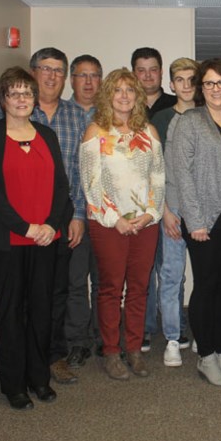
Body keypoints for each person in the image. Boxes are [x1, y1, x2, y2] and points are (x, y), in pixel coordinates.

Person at [0, 67, 72, 410]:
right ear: (3, 99)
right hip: (10, 240)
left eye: (26, 94)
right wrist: (25, 227)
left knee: (42, 311)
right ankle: (13, 383)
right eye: (14, 94)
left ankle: (38, 378)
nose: (21, 100)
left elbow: (62, 185)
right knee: (12, 311)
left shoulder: (46, 134)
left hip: (47, 238)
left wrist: (49, 224)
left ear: (34, 99)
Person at [0, 47, 87, 386]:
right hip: (14, 230)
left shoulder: (76, 116)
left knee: (54, 294)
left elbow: (77, 173)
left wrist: (74, 215)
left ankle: (52, 359)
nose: (52, 76)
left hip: (58, 224)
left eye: (59, 71)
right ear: (33, 73)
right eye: (45, 69)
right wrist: (15, 226)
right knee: (15, 303)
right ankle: (18, 370)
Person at [80, 69, 164, 381]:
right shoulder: (95, 132)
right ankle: (111, 352)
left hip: (145, 223)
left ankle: (134, 349)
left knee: (140, 287)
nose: (125, 96)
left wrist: (150, 212)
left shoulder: (150, 132)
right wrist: (115, 220)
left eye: (130, 90)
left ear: (138, 96)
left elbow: (158, 178)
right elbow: (91, 184)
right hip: (108, 224)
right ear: (107, 96)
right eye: (118, 90)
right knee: (111, 288)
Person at [169, 58, 221, 387]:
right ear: (202, 88)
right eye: (209, 83)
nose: (216, 89)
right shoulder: (190, 121)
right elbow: (181, 173)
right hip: (204, 219)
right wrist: (194, 219)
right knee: (206, 286)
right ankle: (206, 357)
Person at [151, 57, 198, 367]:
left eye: (191, 79)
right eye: (179, 79)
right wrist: (165, 210)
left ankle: (204, 333)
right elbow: (154, 171)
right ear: (171, 84)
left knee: (207, 277)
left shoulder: (209, 116)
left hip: (205, 209)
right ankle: (171, 338)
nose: (185, 85)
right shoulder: (161, 119)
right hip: (173, 207)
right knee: (171, 276)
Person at [66, 54, 103, 368]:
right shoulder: (60, 115)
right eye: (82, 75)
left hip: (106, 215)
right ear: (72, 80)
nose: (89, 82)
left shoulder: (111, 116)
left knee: (104, 281)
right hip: (76, 214)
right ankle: (78, 340)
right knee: (76, 281)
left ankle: (104, 337)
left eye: (94, 76)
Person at [131, 46, 177, 117]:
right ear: (133, 74)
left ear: (161, 72)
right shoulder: (126, 106)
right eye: (141, 70)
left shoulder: (177, 104)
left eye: (153, 70)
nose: (148, 75)